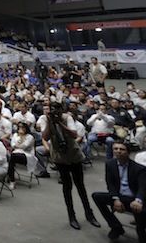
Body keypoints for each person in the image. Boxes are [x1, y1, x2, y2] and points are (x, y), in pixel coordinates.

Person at [42, 101, 100, 230]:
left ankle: (89, 213)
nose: (54, 112)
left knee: (80, 186)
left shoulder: (67, 118)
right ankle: (71, 216)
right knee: (67, 187)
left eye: (57, 110)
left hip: (73, 154)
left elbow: (74, 135)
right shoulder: (46, 119)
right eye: (52, 110)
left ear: (61, 110)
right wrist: (49, 122)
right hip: (60, 157)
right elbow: (45, 137)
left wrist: (60, 123)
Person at [93, 141, 146, 242]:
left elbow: (143, 187)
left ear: (128, 152)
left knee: (141, 218)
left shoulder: (139, 168)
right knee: (96, 196)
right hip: (120, 197)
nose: (118, 151)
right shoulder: (110, 164)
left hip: (134, 199)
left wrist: (138, 200)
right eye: (115, 149)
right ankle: (116, 227)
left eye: (122, 149)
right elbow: (110, 184)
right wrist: (116, 199)